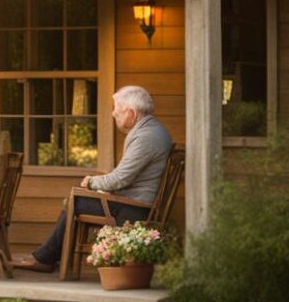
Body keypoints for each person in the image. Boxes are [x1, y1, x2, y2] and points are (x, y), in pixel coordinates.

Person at [19, 85, 174, 273]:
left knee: (75, 200)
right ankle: (49, 256)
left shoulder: (146, 137)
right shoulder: (152, 130)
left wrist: (92, 182)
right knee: (76, 199)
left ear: (131, 114)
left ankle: (46, 258)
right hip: (132, 200)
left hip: (133, 208)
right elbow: (124, 177)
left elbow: (120, 179)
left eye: (117, 111)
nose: (113, 114)